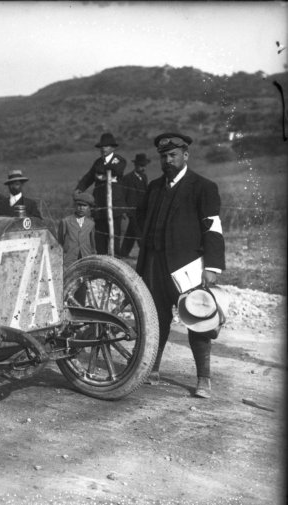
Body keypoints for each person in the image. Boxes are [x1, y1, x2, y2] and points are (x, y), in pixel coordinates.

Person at [136, 132, 225, 398]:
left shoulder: (203, 187)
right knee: (155, 317)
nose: (168, 160)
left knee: (197, 318)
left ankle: (203, 379)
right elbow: (140, 218)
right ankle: (152, 368)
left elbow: (213, 228)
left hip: (189, 268)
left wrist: (212, 267)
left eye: (173, 155)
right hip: (154, 264)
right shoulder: (153, 188)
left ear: (186, 155)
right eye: (163, 156)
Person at [74, 133, 128, 256]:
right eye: (102, 146)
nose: (104, 149)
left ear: (113, 148)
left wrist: (101, 173)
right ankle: (102, 262)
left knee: (114, 237)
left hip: (114, 205)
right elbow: (89, 176)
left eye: (107, 146)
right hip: (99, 205)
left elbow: (116, 170)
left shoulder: (119, 160)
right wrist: (80, 188)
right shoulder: (98, 162)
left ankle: (116, 264)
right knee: (100, 238)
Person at [119, 153, 151, 258]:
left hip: (142, 210)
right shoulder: (127, 178)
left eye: (144, 166)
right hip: (132, 209)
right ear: (136, 165)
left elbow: (146, 193)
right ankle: (144, 253)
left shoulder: (144, 177)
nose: (143, 168)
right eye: (141, 166)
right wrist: (124, 209)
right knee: (138, 231)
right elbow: (122, 195)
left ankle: (123, 253)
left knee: (131, 232)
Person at [57, 192, 96, 270]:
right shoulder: (66, 221)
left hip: (85, 257)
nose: (81, 208)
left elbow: (92, 243)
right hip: (69, 258)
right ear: (75, 206)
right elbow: (60, 241)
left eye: (84, 206)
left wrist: (93, 256)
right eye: (79, 205)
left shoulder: (91, 223)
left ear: (89, 208)